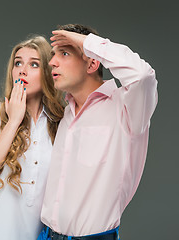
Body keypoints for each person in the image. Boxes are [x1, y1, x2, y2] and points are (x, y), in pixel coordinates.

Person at [38, 24, 158, 240]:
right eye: (53, 55)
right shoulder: (66, 114)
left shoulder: (126, 108)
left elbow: (142, 75)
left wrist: (89, 43)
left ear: (93, 62)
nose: (52, 62)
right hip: (46, 235)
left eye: (64, 53)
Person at [0, 36, 65, 240]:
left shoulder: (60, 123)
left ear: (48, 72)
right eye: (18, 63)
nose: (22, 70)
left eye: (34, 64)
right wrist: (14, 121)